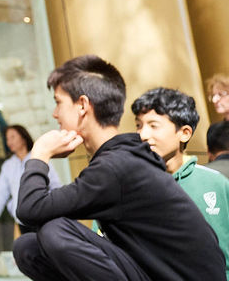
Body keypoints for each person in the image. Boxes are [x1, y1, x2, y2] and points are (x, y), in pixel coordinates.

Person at [13, 54, 223, 281]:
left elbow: (29, 209)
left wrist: (40, 154)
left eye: (58, 102)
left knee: (55, 231)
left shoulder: (117, 167)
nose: (55, 114)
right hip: (151, 272)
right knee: (29, 247)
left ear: (82, 105)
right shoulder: (121, 159)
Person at [131, 87, 229, 275]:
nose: (143, 135)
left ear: (184, 133)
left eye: (153, 125)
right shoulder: (128, 189)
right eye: (138, 125)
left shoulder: (215, 183)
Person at [0, 125, 61, 253]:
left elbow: (55, 184)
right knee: (32, 252)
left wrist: (59, 209)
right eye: (7, 139)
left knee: (49, 250)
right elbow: (0, 192)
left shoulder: (38, 158)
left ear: (23, 138)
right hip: (23, 219)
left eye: (13, 137)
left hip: (43, 215)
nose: (9, 142)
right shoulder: (8, 165)